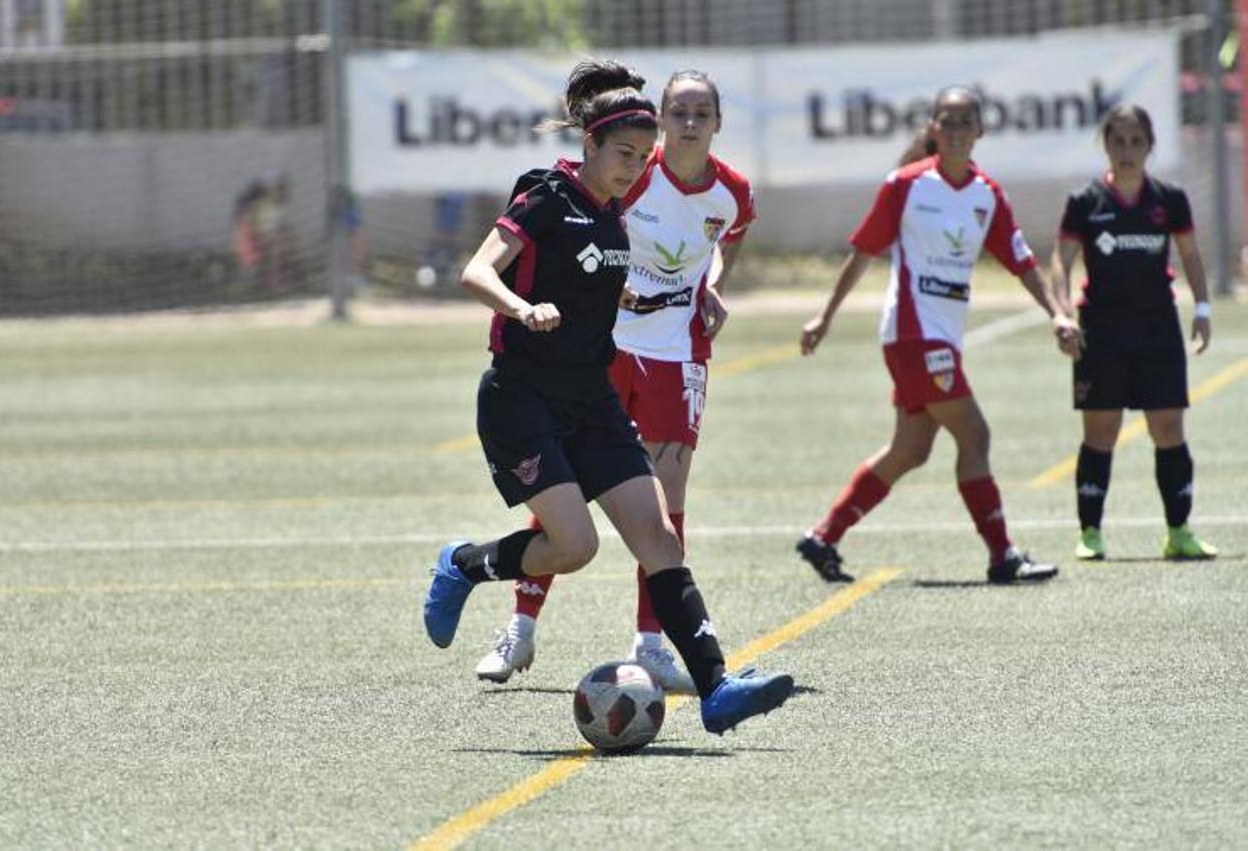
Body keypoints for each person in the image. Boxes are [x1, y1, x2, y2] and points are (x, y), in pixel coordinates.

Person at [422, 59, 793, 735]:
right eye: (622, 154)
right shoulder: (543, 195)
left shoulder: (616, 212)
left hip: (590, 402)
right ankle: (465, 564)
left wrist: (630, 294)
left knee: (658, 538)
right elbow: (476, 271)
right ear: (588, 144)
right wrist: (521, 305)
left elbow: (603, 273)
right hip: (521, 399)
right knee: (574, 546)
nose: (633, 167)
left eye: (641, 157)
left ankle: (717, 688)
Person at [475, 70, 756, 692]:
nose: (688, 123)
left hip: (678, 352)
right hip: (605, 352)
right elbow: (569, 245)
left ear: (717, 122)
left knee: (664, 503)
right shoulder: (624, 173)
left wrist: (711, 289)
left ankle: (655, 646)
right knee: (564, 499)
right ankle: (520, 624)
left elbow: (729, 241)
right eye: (678, 111)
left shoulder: (732, 192)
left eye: (701, 113)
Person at [794, 85, 1079, 585]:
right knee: (975, 434)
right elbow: (862, 252)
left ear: (980, 130)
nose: (954, 131)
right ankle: (1002, 555)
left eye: (964, 121)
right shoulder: (906, 185)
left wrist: (1058, 313)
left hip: (939, 338)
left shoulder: (986, 194)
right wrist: (825, 316)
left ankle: (823, 537)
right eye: (945, 122)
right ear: (932, 128)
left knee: (911, 449)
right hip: (913, 336)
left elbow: (1023, 263)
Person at [1050, 104, 1218, 562]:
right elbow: (1060, 263)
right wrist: (1063, 315)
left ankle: (1179, 531)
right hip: (1101, 331)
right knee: (1101, 431)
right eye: (1118, 142)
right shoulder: (1085, 202)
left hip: (1157, 329)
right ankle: (1090, 532)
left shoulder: (1169, 199)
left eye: (1136, 142)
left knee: (1168, 427)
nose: (1127, 152)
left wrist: (1201, 308)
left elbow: (1191, 255)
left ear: (1150, 146)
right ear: (1105, 145)